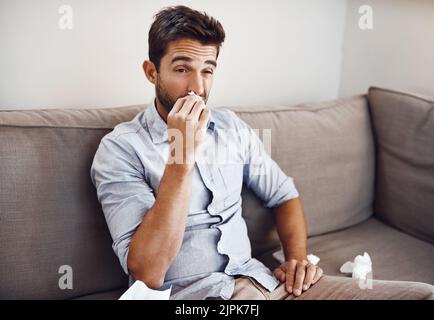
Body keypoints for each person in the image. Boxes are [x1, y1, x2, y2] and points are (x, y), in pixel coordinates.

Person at [90, 5, 433, 300]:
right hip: (192, 296)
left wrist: (298, 260)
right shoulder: (120, 149)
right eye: (182, 69)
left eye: (207, 70)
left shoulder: (231, 128)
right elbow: (147, 272)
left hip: (267, 284)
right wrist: (181, 156)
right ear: (152, 72)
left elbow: (285, 195)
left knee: (420, 294)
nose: (197, 87)